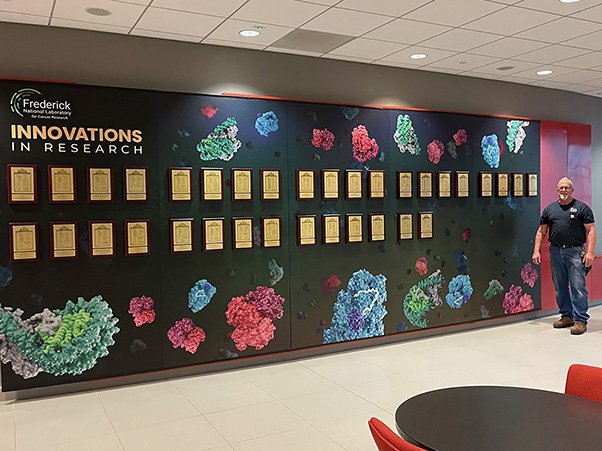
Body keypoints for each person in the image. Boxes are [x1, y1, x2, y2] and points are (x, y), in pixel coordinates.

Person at [532, 177, 596, 335]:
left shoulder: (582, 208)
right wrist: (536, 250)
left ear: (572, 190)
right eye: (561, 188)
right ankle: (567, 316)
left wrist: (590, 253)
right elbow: (541, 231)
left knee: (578, 287)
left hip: (575, 252)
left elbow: (591, 231)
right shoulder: (549, 210)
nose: (564, 191)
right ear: (557, 190)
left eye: (567, 188)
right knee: (560, 287)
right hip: (555, 252)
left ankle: (581, 320)